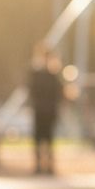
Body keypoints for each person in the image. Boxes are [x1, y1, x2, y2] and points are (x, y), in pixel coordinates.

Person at [27, 46, 64, 175]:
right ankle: (39, 165)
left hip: (47, 112)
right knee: (40, 139)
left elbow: (59, 93)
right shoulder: (37, 74)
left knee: (47, 139)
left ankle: (48, 165)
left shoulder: (52, 75)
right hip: (41, 111)